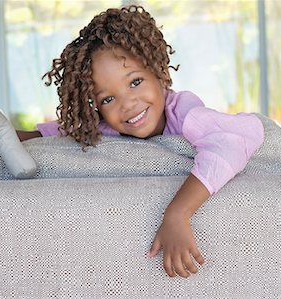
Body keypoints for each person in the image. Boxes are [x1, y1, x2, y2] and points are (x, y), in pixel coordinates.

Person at [17, 5, 264, 278]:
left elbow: (234, 141)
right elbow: (52, 135)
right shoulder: (103, 128)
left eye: (135, 82)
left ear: (160, 73)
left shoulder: (184, 112)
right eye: (107, 99)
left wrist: (177, 213)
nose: (127, 104)